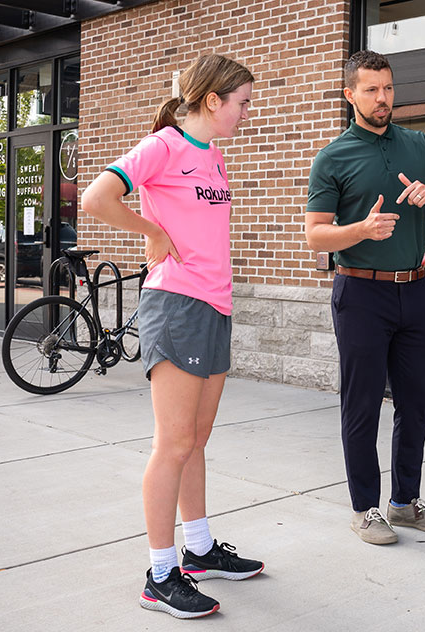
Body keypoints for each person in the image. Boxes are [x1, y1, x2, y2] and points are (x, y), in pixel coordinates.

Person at [81, 54, 264, 618]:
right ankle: (160, 575)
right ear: (212, 100)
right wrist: (151, 231)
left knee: (195, 441)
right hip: (176, 305)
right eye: (242, 103)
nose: (247, 112)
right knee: (173, 444)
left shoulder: (215, 156)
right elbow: (96, 198)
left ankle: (199, 549)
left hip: (215, 305)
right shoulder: (163, 146)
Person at [305, 50, 425, 545]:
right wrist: (360, 229)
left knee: (416, 403)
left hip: (415, 291)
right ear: (350, 94)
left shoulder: (417, 144)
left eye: (388, 88)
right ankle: (365, 509)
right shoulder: (333, 157)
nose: (383, 98)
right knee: (361, 405)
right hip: (360, 292)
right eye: (372, 90)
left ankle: (405, 503)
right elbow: (315, 235)